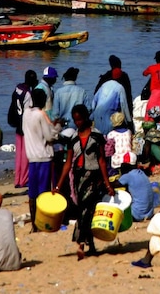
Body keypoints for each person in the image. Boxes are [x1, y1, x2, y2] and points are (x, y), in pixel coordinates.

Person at [54, 104, 114, 260]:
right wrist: (59, 185)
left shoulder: (96, 136)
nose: (78, 123)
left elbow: (101, 161)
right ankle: (91, 245)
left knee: (86, 210)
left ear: (86, 118)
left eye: (80, 119)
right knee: (85, 209)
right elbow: (68, 164)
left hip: (94, 178)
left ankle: (81, 243)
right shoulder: (72, 139)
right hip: (79, 178)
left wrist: (107, 183)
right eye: (75, 120)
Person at [24, 88, 58, 230]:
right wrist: (57, 127)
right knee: (44, 192)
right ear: (43, 101)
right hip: (44, 157)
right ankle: (43, 222)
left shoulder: (26, 113)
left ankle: (34, 224)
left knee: (32, 193)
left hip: (32, 157)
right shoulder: (39, 115)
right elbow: (50, 136)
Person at [9, 70, 37, 188]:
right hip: (25, 125)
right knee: (25, 154)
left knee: (19, 154)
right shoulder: (28, 94)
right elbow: (29, 111)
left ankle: (17, 179)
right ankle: (24, 180)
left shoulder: (18, 88)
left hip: (17, 123)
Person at [91, 70, 132, 135]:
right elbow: (124, 106)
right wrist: (129, 122)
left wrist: (92, 116)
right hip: (110, 118)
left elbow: (93, 103)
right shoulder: (120, 87)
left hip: (97, 117)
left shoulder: (104, 85)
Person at [118, 154, 157, 221]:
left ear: (126, 165)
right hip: (149, 213)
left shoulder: (129, 176)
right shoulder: (142, 173)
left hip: (137, 214)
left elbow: (113, 185)